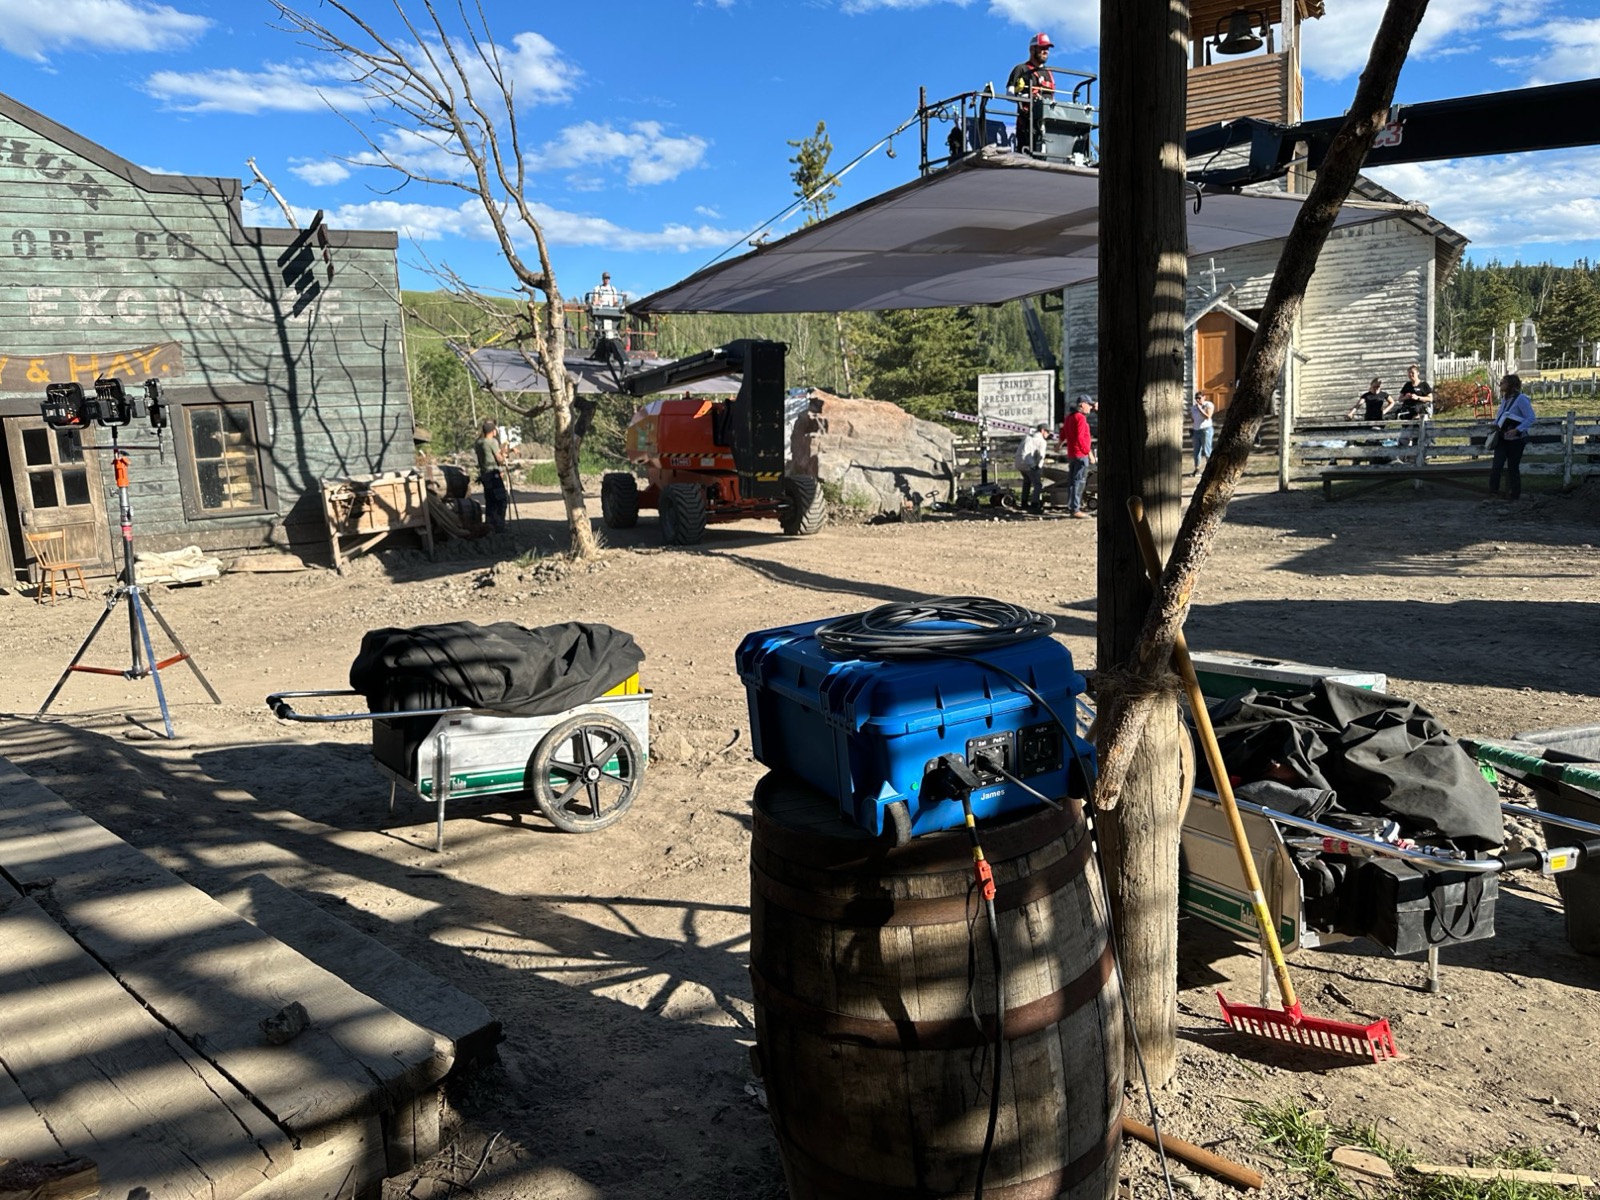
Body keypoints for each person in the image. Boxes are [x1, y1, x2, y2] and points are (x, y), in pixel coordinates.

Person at [1489, 373, 1536, 500]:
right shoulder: (1505, 399)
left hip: (1516, 440)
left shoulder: (1521, 399)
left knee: (1513, 467)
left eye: (1503, 382)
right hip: (1502, 437)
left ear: (1511, 384)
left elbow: (1531, 417)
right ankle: (1493, 492)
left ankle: (1515, 494)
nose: (1501, 385)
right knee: (1496, 465)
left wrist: (1517, 430)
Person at [1007, 32, 1055, 153]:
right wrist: (1027, 97)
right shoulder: (1021, 69)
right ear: (1032, 49)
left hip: (1048, 124)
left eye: (1047, 48)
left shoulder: (1049, 73)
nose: (1046, 51)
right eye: (1042, 48)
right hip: (1028, 125)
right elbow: (1009, 94)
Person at [1060, 395, 1095, 518]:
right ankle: (1076, 509)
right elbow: (1080, 438)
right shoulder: (1080, 418)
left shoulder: (1069, 417)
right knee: (1079, 481)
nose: (1090, 407)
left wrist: (1059, 443)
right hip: (1080, 454)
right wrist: (1088, 452)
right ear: (1082, 405)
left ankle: (1071, 507)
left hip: (1072, 453)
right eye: (1089, 405)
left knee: (1072, 481)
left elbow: (1063, 432)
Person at [475, 416, 509, 534]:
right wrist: (503, 456)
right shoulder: (492, 442)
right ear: (492, 431)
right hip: (493, 474)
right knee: (501, 500)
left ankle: (489, 526)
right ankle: (499, 526)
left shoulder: (478, 443)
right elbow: (499, 459)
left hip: (484, 475)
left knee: (490, 502)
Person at [1014, 422, 1049, 513]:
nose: (1048, 434)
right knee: (1038, 484)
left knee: (1027, 481)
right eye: (1047, 432)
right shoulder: (1042, 441)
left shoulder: (1028, 437)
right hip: (1028, 463)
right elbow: (1041, 456)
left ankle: (1024, 502)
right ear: (1042, 431)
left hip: (1018, 462)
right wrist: (1039, 468)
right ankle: (1035, 504)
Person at [1190, 391, 1216, 475]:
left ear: (1204, 397)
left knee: (1207, 449)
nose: (1198, 400)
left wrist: (1200, 409)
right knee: (1196, 450)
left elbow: (1208, 417)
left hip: (1206, 430)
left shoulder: (1208, 405)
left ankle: (1210, 468)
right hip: (1196, 430)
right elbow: (1193, 419)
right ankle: (1197, 469)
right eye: (1196, 398)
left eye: (1199, 398)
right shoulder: (1193, 408)